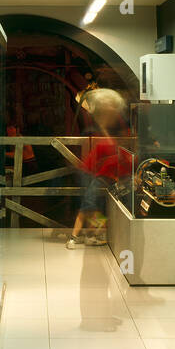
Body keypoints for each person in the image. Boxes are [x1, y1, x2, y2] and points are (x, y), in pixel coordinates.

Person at [67, 88, 133, 249]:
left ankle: (84, 235)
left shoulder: (109, 133)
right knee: (90, 206)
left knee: (91, 207)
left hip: (95, 174)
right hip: (93, 174)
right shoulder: (108, 135)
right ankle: (80, 236)